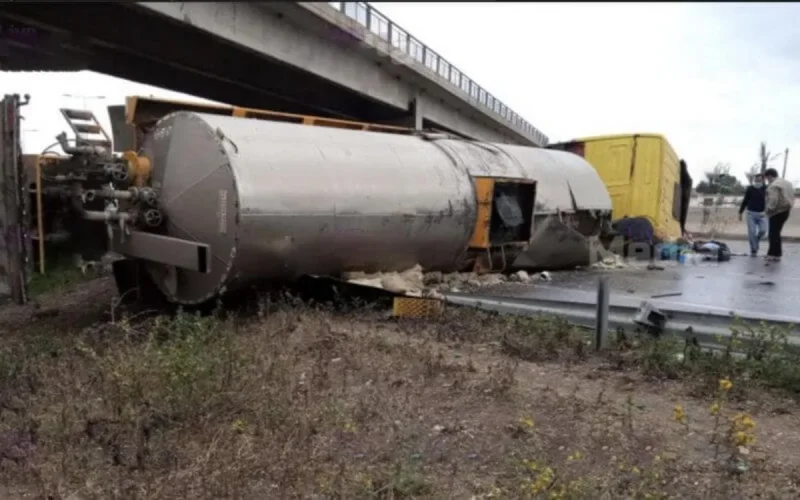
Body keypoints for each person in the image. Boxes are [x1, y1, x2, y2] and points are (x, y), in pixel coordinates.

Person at [764, 168, 794, 262]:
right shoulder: (788, 183)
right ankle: (773, 253)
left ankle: (774, 254)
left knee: (773, 234)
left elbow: (773, 200)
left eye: (767, 178)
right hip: (786, 210)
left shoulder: (773, 185)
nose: (767, 180)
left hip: (777, 212)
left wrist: (768, 210)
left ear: (769, 176)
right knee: (776, 232)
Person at [738, 173, 768, 256]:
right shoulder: (750, 188)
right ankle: (753, 249)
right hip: (751, 214)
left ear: (763, 180)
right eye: (757, 179)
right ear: (755, 180)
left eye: (760, 179)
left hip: (762, 214)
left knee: (763, 231)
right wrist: (740, 212)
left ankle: (756, 241)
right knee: (752, 232)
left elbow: (770, 200)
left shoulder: (766, 189)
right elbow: (745, 200)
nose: (758, 180)